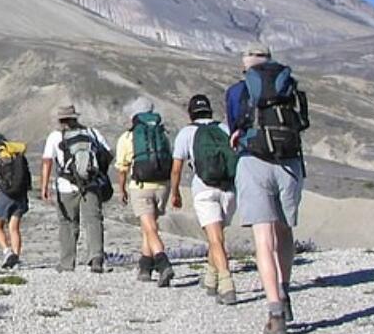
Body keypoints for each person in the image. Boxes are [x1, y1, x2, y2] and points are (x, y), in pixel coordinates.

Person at [225, 45, 309, 334]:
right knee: (285, 232)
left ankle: (274, 312)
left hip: (254, 162)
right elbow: (303, 123)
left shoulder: (238, 91)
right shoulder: (290, 85)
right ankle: (285, 291)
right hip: (290, 164)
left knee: (264, 240)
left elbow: (234, 127)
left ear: (245, 68)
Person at [169, 94, 238, 304]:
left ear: (191, 113)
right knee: (217, 237)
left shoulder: (186, 133)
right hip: (228, 189)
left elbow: (176, 169)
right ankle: (210, 279)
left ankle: (227, 284)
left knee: (215, 239)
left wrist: (175, 192)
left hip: (204, 189)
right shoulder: (225, 128)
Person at [40, 104, 111, 273]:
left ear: (60, 120)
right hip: (91, 184)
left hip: (66, 186)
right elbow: (108, 153)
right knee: (93, 220)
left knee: (67, 223)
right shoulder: (92, 133)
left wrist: (44, 186)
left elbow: (47, 161)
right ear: (75, 118)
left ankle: (67, 263)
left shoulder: (55, 136)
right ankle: (96, 258)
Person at [114, 97, 175, 286]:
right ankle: (145, 267)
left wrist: (122, 188)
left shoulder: (128, 137)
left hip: (140, 186)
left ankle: (162, 261)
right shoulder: (162, 133)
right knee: (149, 227)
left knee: (149, 227)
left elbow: (122, 168)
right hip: (162, 185)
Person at [0, 133, 30, 269]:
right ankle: (16, 256)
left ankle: (7, 251)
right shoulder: (18, 156)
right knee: (14, 228)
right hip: (20, 195)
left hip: (3, 194)